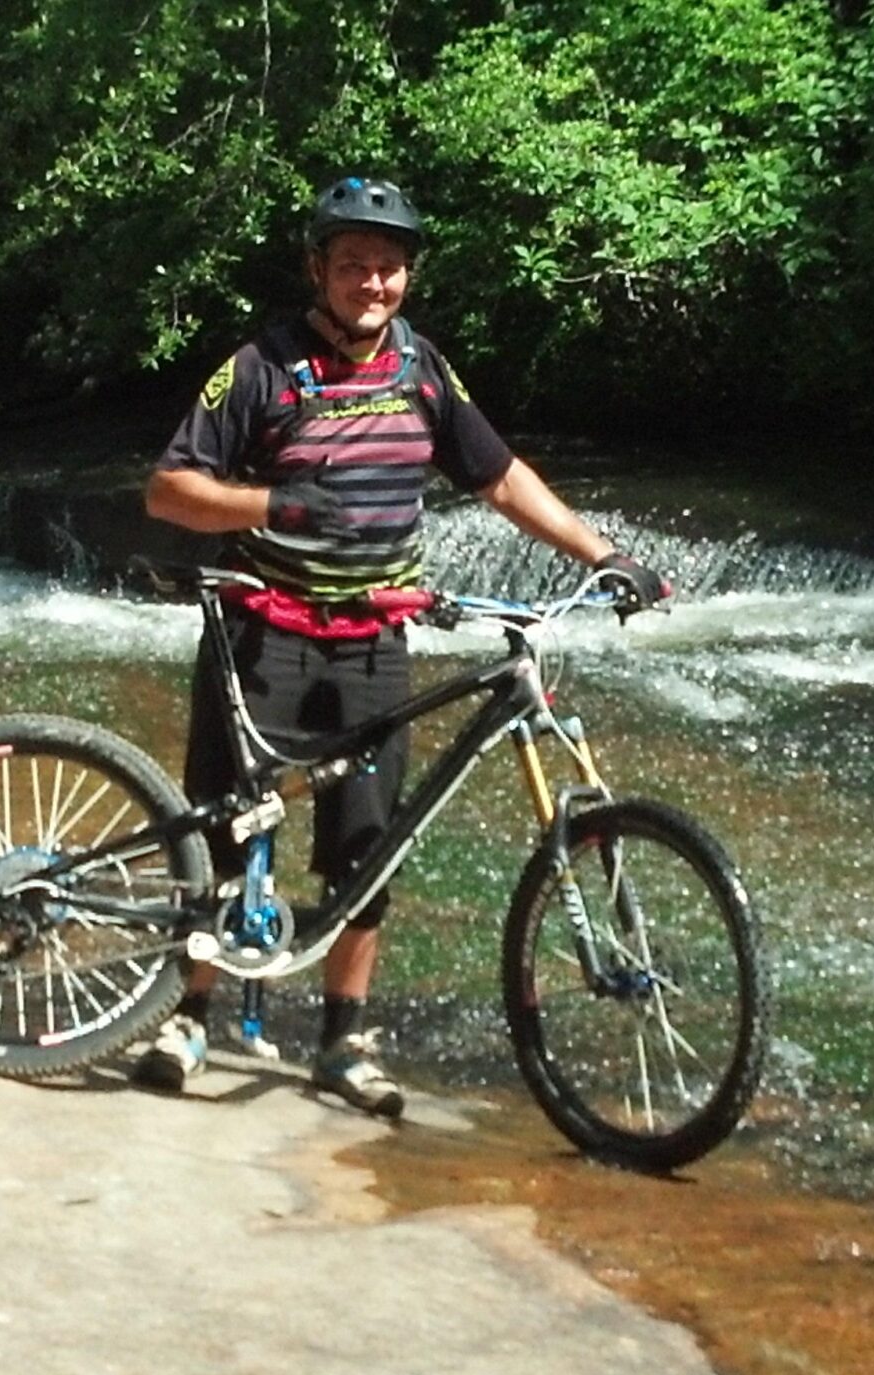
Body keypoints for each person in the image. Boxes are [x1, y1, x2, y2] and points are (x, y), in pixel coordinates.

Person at [137, 175, 671, 1118]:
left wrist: (607, 553)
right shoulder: (261, 367)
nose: (372, 284)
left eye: (388, 270)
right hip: (265, 632)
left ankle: (343, 1042)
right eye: (354, 267)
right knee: (223, 829)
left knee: (369, 850)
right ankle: (188, 1016)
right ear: (319, 269)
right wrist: (272, 503)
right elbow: (169, 490)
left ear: (407, 279)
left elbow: (499, 478)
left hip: (374, 639)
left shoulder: (424, 371)